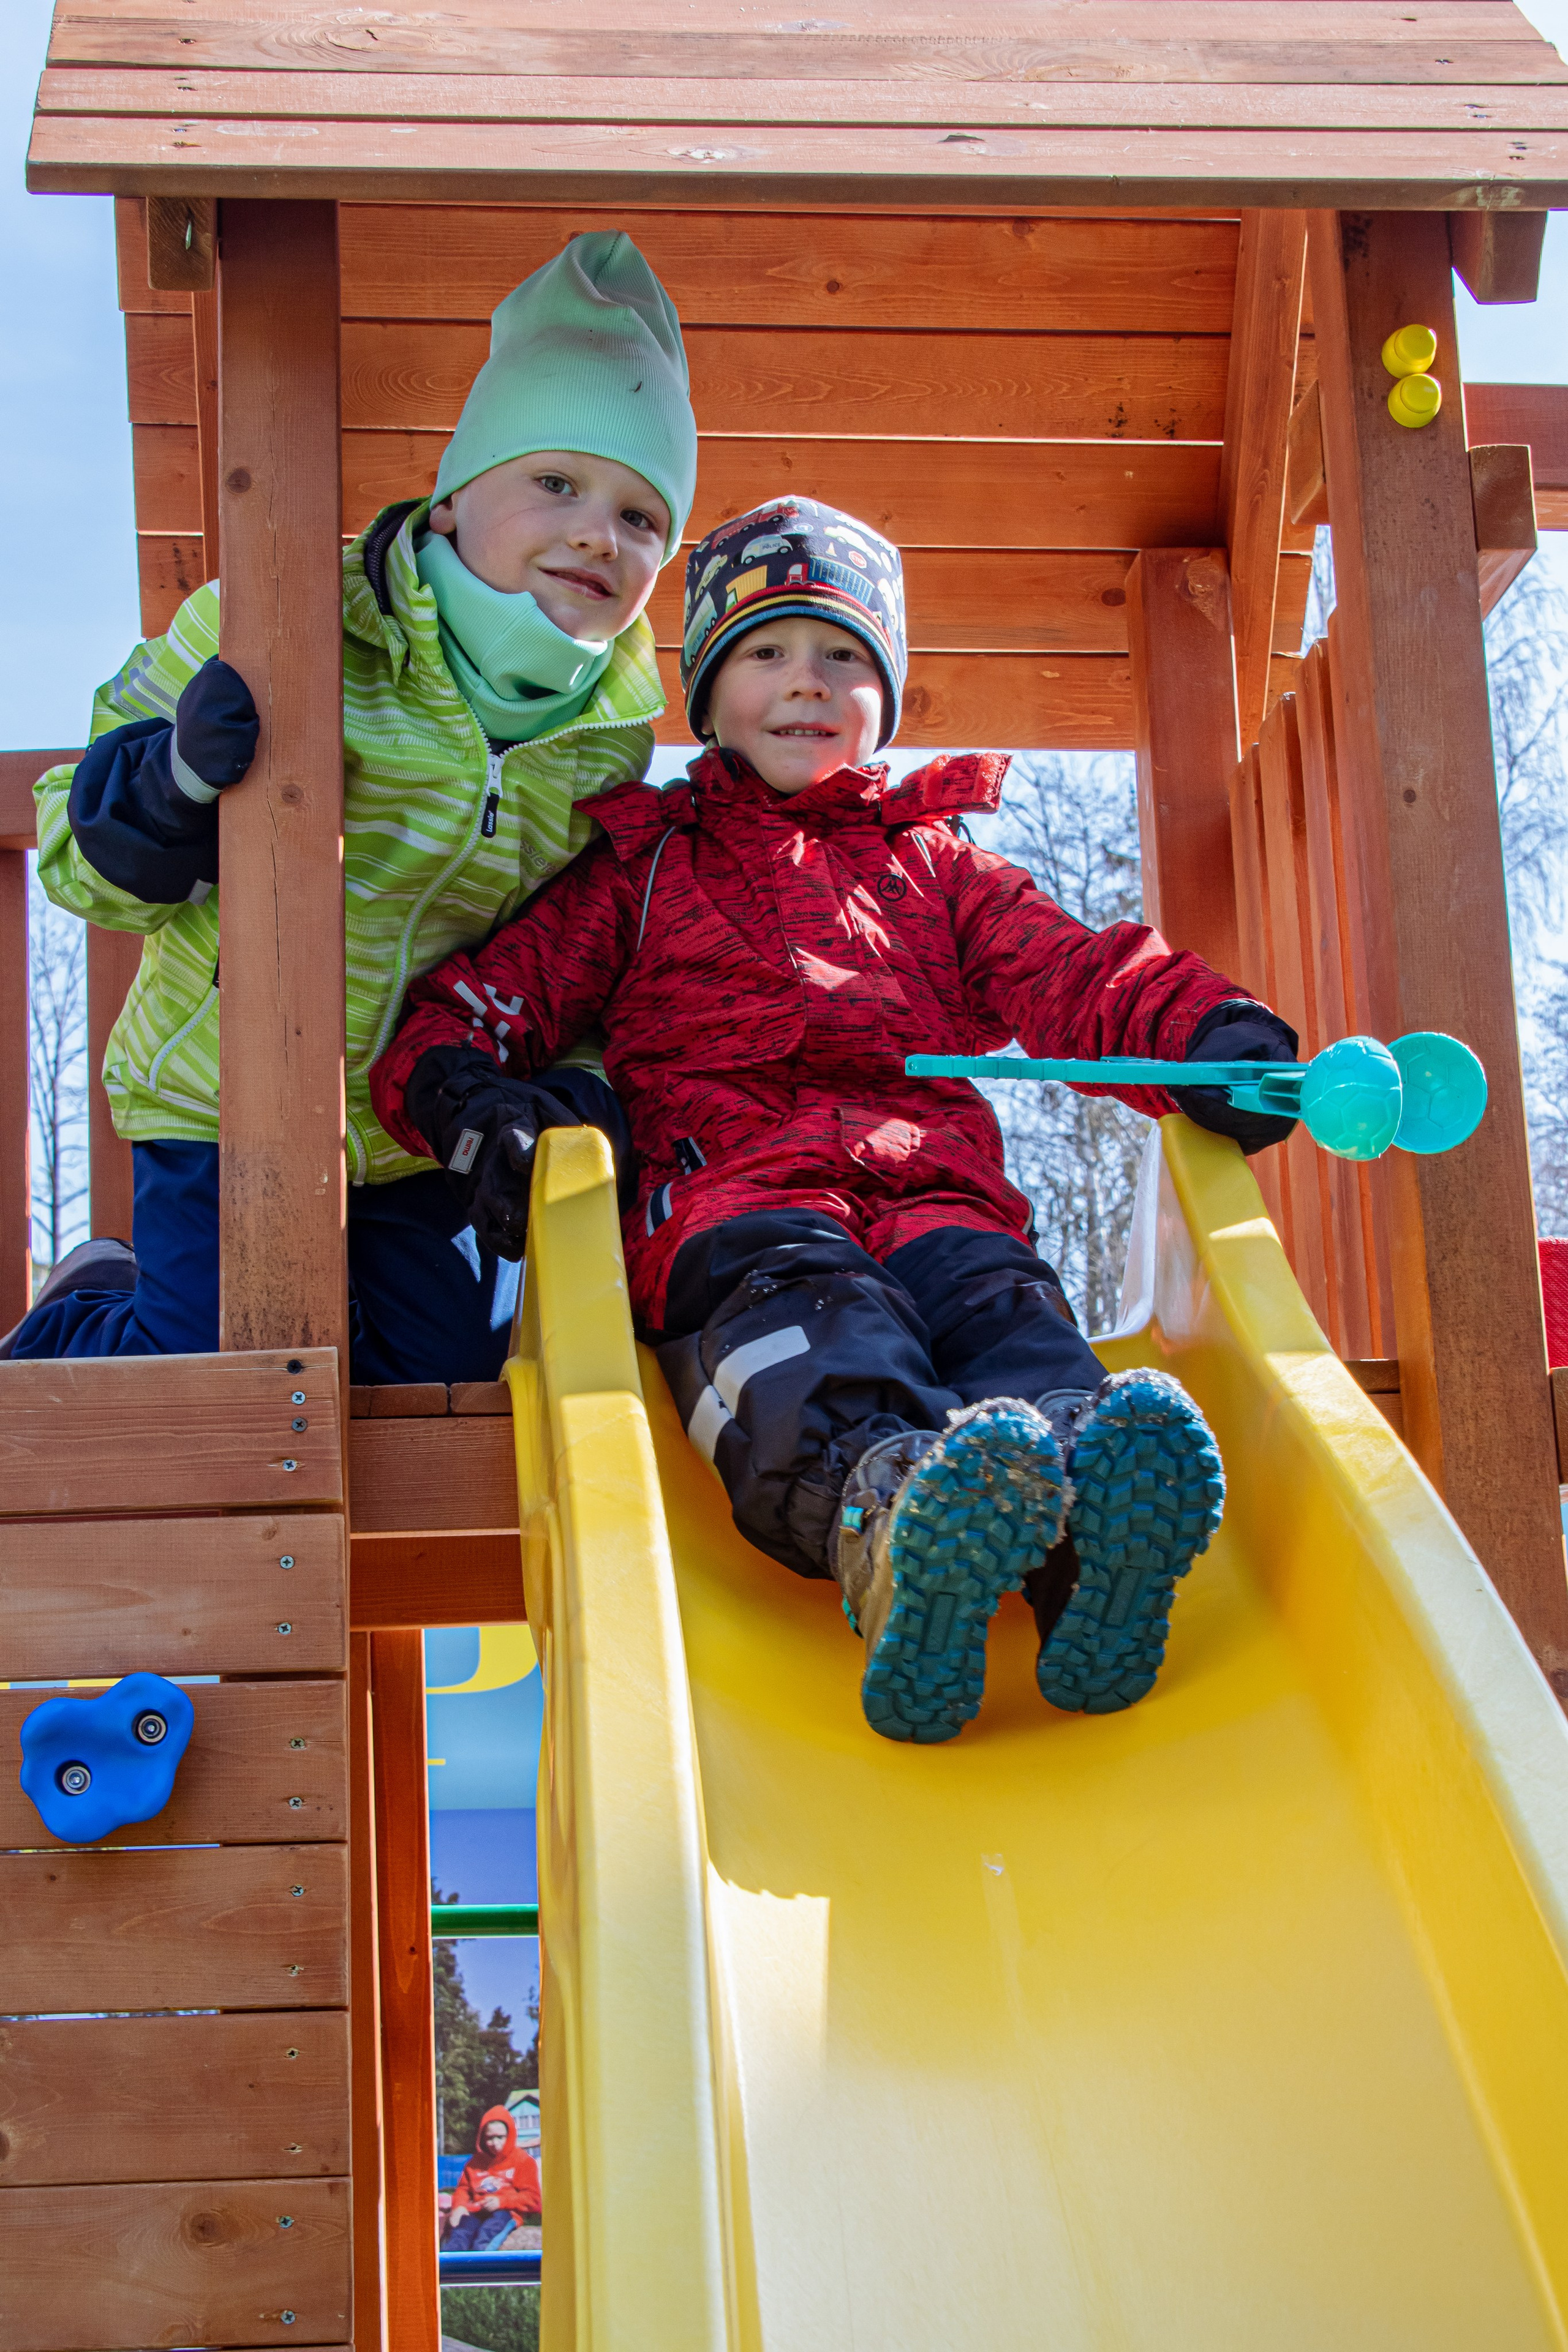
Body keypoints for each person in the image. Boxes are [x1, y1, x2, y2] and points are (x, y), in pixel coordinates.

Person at [369, 497, 1300, 1742]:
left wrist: (1199, 1038)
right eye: (764, 652)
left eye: (843, 657)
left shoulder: (935, 865)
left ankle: (1092, 1536)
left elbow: (1073, 974)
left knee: (1008, 1320)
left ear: (886, 695)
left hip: (934, 1196)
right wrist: (470, 1102)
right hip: (738, 1209)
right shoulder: (640, 869)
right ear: (703, 695)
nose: (805, 683)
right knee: (817, 1343)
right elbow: (476, 1007)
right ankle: (892, 1516)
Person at [4, 232, 696, 1378]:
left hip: (420, 1131)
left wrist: (569, 1086)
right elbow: (76, 859)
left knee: (449, 1379)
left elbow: (576, 959)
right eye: (557, 483)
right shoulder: (284, 625)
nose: (594, 533)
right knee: (209, 1366)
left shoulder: (608, 743)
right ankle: (92, 1302)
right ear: (453, 497)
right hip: (221, 1095)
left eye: (640, 517)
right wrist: (172, 782)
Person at [443, 2106, 541, 2250]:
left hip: (505, 2214)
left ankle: (483, 2271)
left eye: (500, 2137)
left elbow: (533, 2199)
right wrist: (459, 2207)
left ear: (510, 2134)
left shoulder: (523, 2161)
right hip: (476, 2212)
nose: (495, 2143)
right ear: (482, 2137)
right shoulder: (474, 2163)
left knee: (484, 2239)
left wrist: (502, 2201)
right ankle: (450, 2272)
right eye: (490, 2138)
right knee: (459, 2236)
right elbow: (463, 2189)